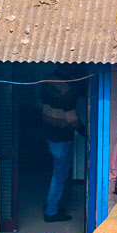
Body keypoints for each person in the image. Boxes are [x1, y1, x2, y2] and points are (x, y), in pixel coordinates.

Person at [40, 77, 83, 222]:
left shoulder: (49, 80)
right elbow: (72, 120)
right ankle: (51, 211)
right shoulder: (67, 90)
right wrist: (87, 132)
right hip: (61, 136)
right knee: (59, 175)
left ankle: (51, 205)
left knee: (56, 173)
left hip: (49, 132)